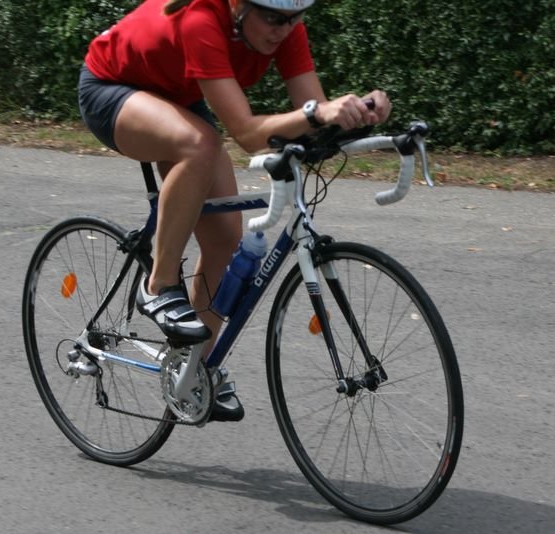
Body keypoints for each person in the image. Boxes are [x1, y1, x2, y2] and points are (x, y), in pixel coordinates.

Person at [78, 0, 392, 421]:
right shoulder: (201, 20)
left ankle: (194, 372)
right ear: (240, 6)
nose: (284, 29)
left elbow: (313, 113)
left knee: (225, 239)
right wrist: (320, 113)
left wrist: (359, 114)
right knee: (200, 145)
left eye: (295, 19)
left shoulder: (284, 28)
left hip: (179, 97)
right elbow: (246, 134)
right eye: (274, 18)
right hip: (111, 87)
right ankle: (158, 284)